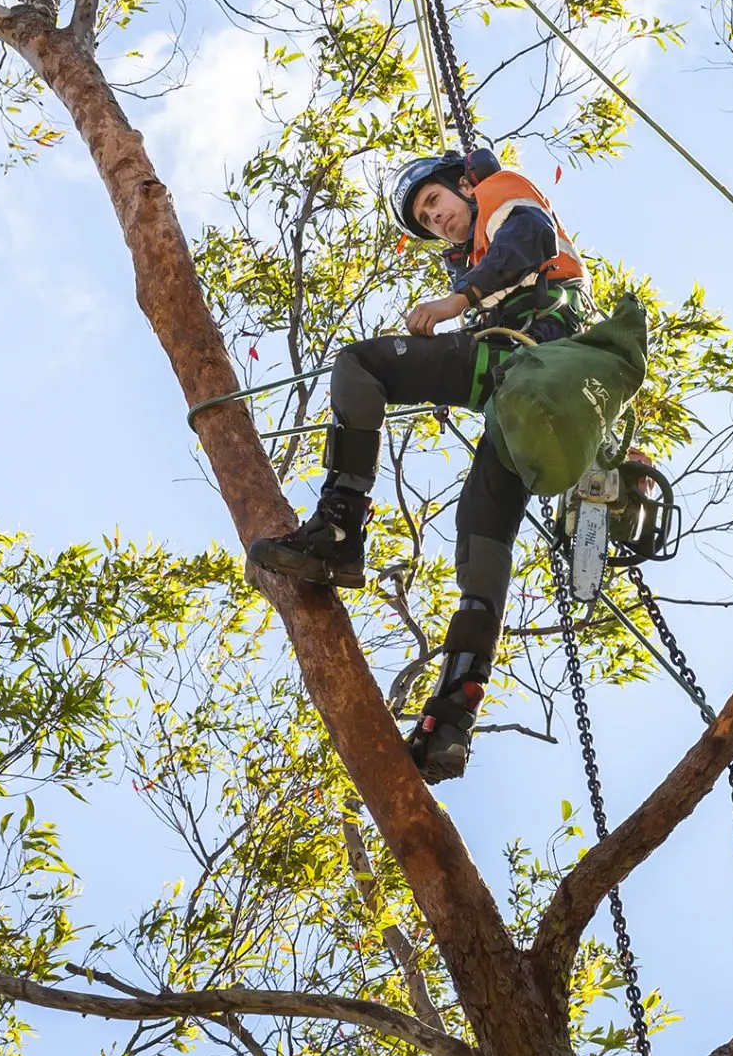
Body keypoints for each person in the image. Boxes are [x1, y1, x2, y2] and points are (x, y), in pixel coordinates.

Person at [247, 150, 591, 782]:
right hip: (524, 393)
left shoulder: (503, 193)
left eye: (437, 203)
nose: (436, 219)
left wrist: (457, 301)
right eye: (427, 220)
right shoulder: (478, 253)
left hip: (535, 356)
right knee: (479, 546)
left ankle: (338, 533)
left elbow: (527, 239)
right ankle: (451, 723)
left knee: (362, 365)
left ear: (464, 184)